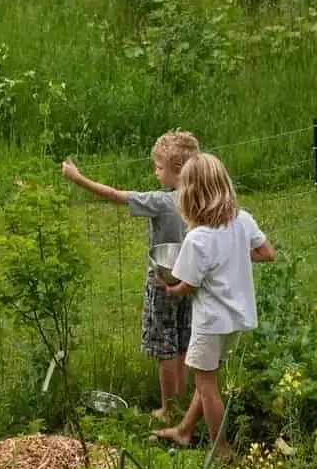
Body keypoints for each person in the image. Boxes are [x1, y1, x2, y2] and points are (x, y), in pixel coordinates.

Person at [61, 131, 202, 419]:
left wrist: (78, 178)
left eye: (159, 167)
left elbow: (115, 196)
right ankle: (180, 402)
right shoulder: (198, 199)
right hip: (188, 281)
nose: (155, 172)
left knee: (164, 347)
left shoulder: (162, 202)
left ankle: (167, 408)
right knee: (181, 343)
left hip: (163, 283)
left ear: (176, 170)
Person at [155, 153, 275, 447]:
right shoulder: (242, 221)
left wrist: (169, 288)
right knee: (206, 378)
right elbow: (266, 253)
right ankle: (184, 431)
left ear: (192, 194)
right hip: (236, 319)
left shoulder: (198, 239)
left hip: (210, 322)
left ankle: (221, 451)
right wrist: (231, 255)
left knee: (207, 387)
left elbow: (186, 285)